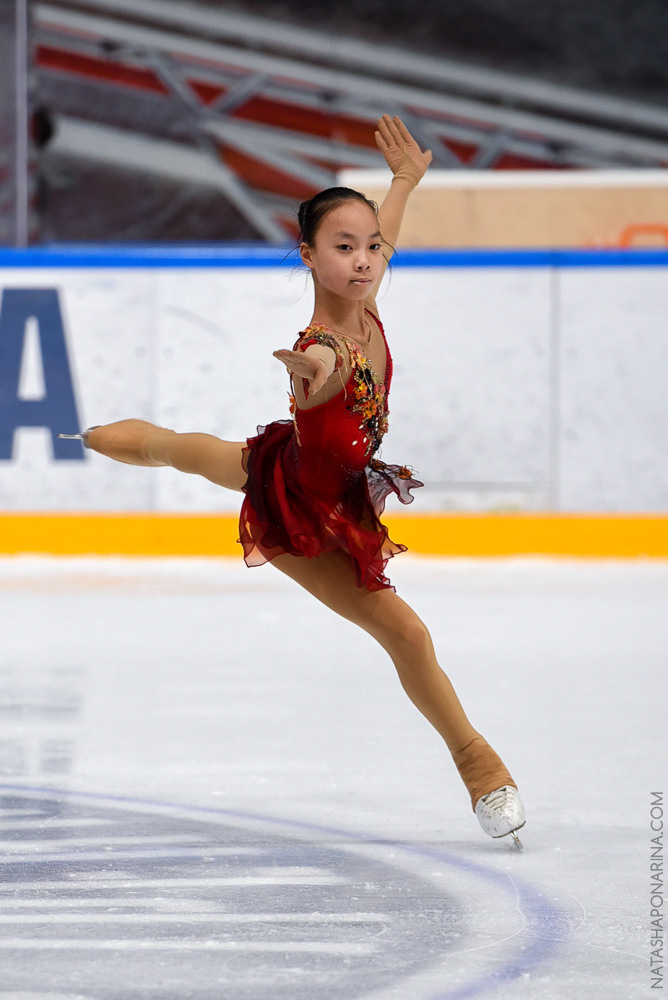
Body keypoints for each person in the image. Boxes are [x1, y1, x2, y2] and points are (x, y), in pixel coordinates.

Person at [72, 116, 525, 846]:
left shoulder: (367, 299)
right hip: (308, 515)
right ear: (309, 256)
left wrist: (405, 180)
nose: (365, 259)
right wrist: (309, 373)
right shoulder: (323, 348)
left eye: (372, 246)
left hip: (295, 466)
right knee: (405, 633)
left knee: (181, 449)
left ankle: (108, 438)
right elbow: (319, 371)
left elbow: (386, 230)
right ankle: (478, 764)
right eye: (344, 249)